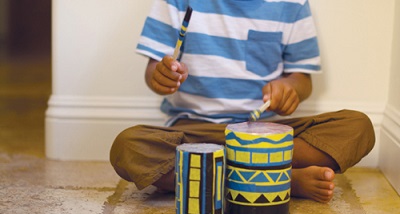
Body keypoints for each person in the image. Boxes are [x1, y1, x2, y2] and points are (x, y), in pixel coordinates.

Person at [110, 0, 375, 203]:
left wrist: (289, 88)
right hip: (196, 133)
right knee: (128, 147)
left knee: (357, 126)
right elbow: (154, 69)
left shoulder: (292, 4)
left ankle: (229, 174)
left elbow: (302, 79)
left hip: (264, 135)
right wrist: (161, 76)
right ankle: (279, 180)